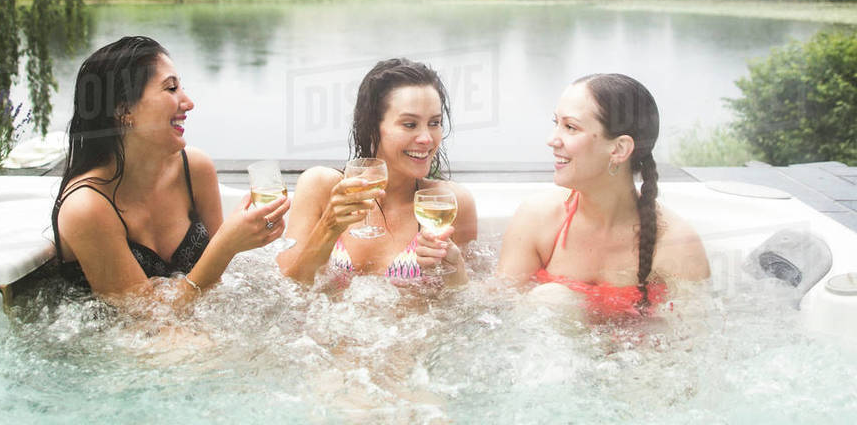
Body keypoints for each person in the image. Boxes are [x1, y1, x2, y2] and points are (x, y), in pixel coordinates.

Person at [51, 36, 290, 301]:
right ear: (124, 109)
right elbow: (145, 318)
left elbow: (218, 287)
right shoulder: (87, 207)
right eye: (171, 88)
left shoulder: (195, 170)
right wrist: (226, 246)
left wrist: (240, 241)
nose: (188, 103)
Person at [497, 73, 709, 316]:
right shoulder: (537, 218)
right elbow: (498, 310)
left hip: (634, 352)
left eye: (570, 127)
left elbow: (691, 341)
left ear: (619, 149)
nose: (552, 140)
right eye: (555, 123)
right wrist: (455, 273)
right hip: (551, 349)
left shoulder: (677, 245)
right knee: (552, 299)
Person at [278, 58, 477, 286]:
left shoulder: (448, 203)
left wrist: (455, 272)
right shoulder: (321, 187)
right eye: (410, 124)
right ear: (373, 128)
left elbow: (468, 308)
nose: (426, 138)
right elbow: (286, 291)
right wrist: (328, 227)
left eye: (434, 123)